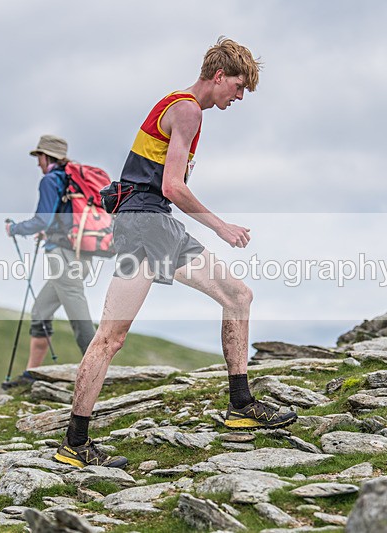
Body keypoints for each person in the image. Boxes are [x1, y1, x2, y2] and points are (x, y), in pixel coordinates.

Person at [53, 37, 296, 469]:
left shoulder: (174, 103)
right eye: (239, 86)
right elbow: (172, 186)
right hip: (149, 223)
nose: (240, 97)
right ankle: (240, 405)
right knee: (232, 298)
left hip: (140, 224)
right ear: (219, 76)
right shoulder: (187, 110)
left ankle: (76, 442)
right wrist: (221, 226)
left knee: (116, 335)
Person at [2, 135, 96, 389]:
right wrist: (51, 231)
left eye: (39, 157)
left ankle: (98, 371)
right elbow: (61, 218)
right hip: (81, 254)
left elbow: (41, 220)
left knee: (79, 318)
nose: (37, 163)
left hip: (64, 257)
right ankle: (32, 375)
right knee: (40, 312)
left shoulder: (50, 180)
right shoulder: (70, 179)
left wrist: (15, 229)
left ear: (46, 157)